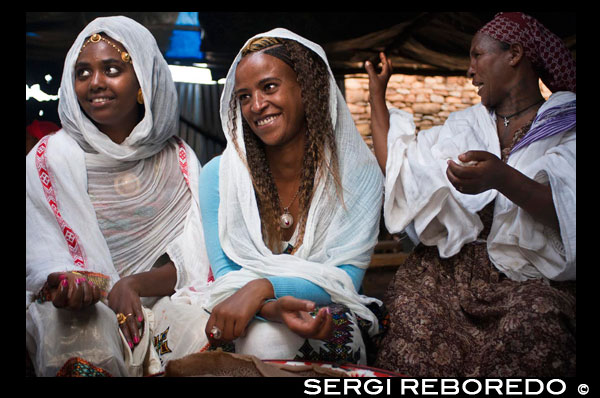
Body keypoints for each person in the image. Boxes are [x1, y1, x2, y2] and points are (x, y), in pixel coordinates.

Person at [365, 12, 575, 376]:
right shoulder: (464, 126)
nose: (470, 70)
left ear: (514, 54)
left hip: (527, 276)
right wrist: (376, 94)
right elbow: (398, 166)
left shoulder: (564, 126)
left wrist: (501, 178)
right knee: (411, 314)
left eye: (478, 55)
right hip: (449, 273)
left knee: (534, 322)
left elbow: (569, 210)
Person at [26, 16, 212, 376]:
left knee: (200, 330)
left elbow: (196, 258)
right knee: (85, 332)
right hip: (78, 309)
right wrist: (67, 282)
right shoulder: (49, 159)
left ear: (143, 80)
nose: (95, 83)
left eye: (111, 69)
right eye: (82, 73)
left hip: (160, 303)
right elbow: (39, 258)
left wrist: (133, 285)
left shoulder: (180, 160)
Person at [198, 28, 385, 365]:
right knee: (259, 338)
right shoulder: (218, 176)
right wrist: (268, 307)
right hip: (244, 312)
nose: (256, 106)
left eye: (269, 87)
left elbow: (344, 281)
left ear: (306, 89)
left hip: (327, 312)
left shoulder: (358, 173)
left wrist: (262, 287)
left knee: (275, 343)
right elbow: (227, 278)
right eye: (243, 96)